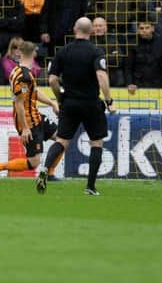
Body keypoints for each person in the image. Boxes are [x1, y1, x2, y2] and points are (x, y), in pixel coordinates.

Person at [35, 17, 116, 195]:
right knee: (97, 143)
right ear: (92, 31)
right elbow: (102, 77)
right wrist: (109, 101)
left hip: (69, 102)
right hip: (90, 103)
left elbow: (52, 80)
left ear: (74, 29)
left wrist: (59, 97)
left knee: (62, 140)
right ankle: (90, 187)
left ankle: (45, 168)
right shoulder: (96, 51)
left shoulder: (63, 51)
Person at [0, 41, 59, 179]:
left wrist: (51, 103)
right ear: (34, 53)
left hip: (36, 116)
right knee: (34, 162)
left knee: (62, 138)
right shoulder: (24, 76)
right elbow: (19, 103)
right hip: (28, 122)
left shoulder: (20, 71)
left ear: (20, 53)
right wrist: (25, 128)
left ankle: (50, 173)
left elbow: (33, 92)